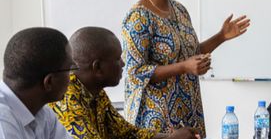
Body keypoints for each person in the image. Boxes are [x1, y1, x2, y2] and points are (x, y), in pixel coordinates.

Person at [122, 0, 250, 135]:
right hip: (157, 121)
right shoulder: (138, 17)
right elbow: (135, 72)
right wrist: (184, 67)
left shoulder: (180, 10)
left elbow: (190, 54)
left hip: (188, 111)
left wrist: (221, 36)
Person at [49, 26, 200, 139]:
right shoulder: (67, 100)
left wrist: (170, 137)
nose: (123, 64)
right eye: (117, 59)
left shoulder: (93, 90)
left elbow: (126, 133)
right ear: (98, 68)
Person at [0, 27, 75, 139]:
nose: (72, 77)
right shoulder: (3, 120)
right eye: (69, 69)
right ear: (49, 82)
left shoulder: (43, 113)